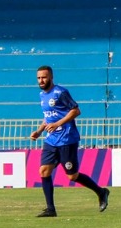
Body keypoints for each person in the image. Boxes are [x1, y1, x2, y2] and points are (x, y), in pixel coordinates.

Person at [30, 65, 109, 217]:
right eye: (39, 78)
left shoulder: (60, 92)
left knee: (72, 176)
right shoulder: (42, 95)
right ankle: (51, 209)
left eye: (44, 77)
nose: (41, 80)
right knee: (44, 171)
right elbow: (48, 117)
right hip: (51, 140)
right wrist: (39, 131)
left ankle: (101, 192)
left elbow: (76, 111)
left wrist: (58, 124)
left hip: (67, 139)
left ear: (51, 77)